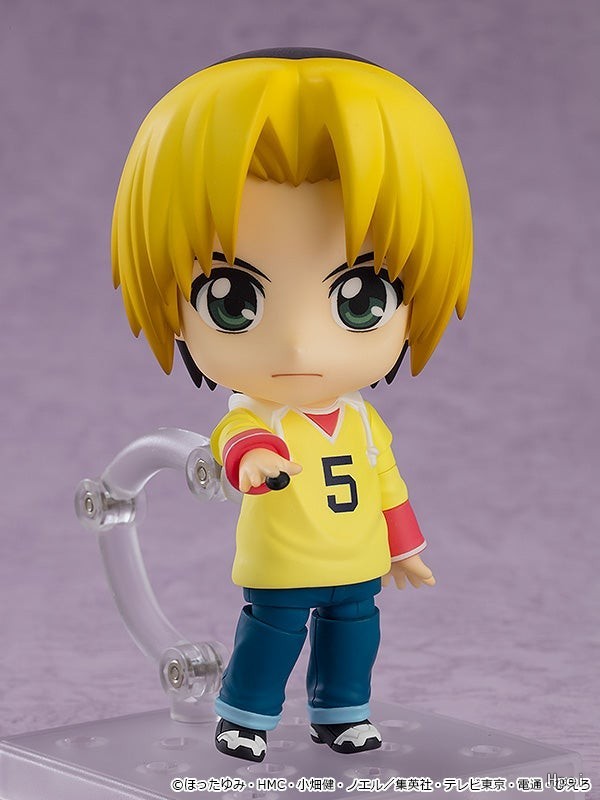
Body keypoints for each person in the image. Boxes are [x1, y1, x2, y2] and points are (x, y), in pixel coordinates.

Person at [111, 48, 473, 762]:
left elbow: (385, 480)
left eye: (362, 299)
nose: (302, 346)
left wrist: (405, 547)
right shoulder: (259, 415)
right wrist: (252, 464)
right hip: (282, 564)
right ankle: (245, 716)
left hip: (357, 560)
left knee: (355, 636)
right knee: (271, 636)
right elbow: (237, 442)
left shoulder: (363, 419)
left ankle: (342, 713)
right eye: (232, 299)